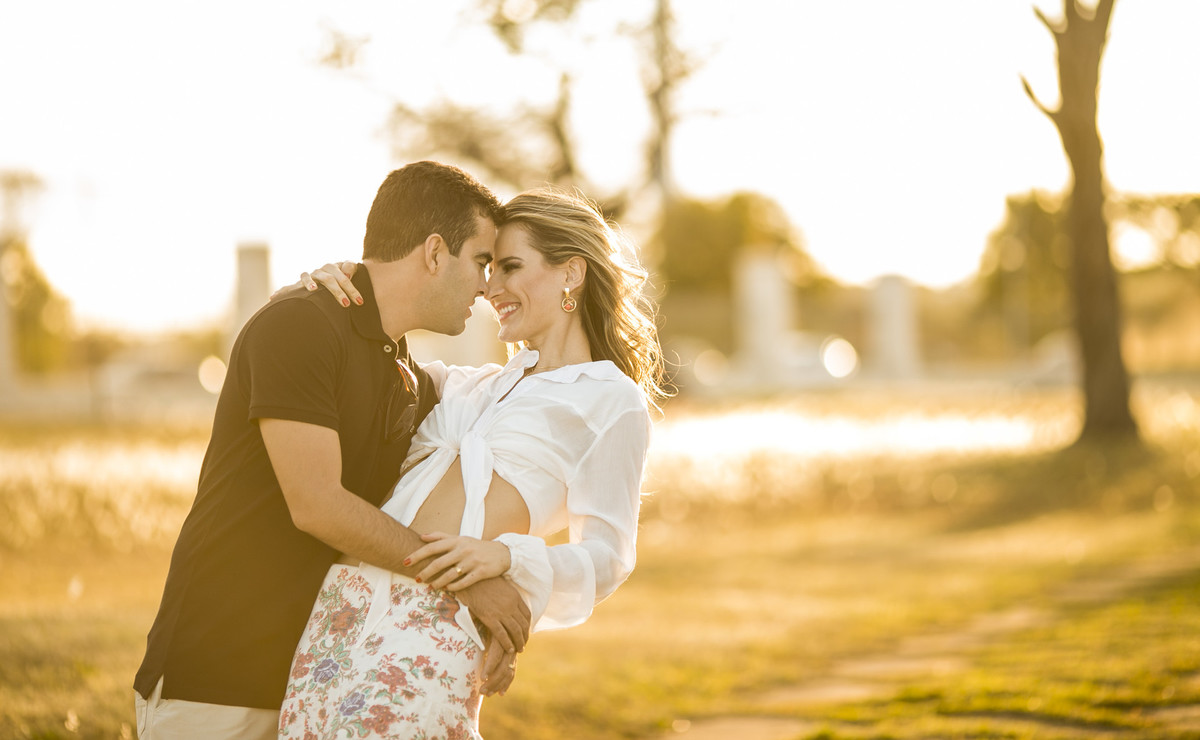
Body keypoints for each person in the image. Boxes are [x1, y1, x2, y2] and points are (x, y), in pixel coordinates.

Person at [133, 161, 533, 740]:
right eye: (481, 262)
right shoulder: (300, 325)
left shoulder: (407, 376)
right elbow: (317, 504)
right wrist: (464, 579)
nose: (487, 286)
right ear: (434, 252)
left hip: (313, 686)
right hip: (213, 683)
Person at [276, 188, 665, 739]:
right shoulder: (474, 385)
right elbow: (376, 343)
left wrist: (507, 560)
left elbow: (608, 556)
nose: (490, 288)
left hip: (437, 621)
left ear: (570, 273)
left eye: (509, 267)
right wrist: (342, 279)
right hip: (342, 608)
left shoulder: (609, 398)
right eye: (488, 267)